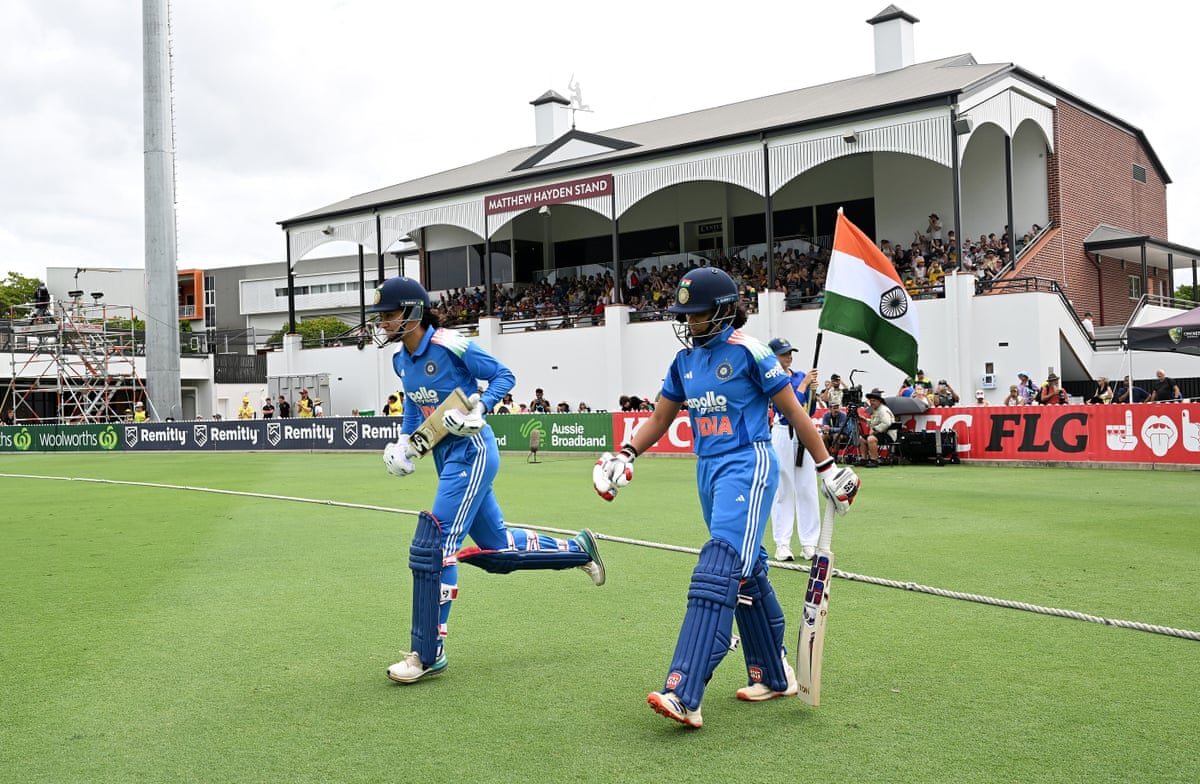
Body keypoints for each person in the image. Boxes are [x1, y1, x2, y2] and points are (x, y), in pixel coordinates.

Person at [590, 266, 860, 729]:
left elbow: (794, 411)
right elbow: (659, 417)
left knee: (718, 565)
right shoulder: (685, 362)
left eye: (695, 315)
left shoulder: (751, 352)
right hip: (708, 470)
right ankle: (775, 676)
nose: (687, 323)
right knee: (748, 571)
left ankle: (684, 690)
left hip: (748, 464)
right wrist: (626, 452)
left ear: (720, 312)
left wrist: (826, 466)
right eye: (684, 315)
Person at [369, 276, 605, 685]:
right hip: (445, 456)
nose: (383, 323)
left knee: (437, 544)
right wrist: (407, 442)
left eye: (388, 315)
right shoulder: (400, 360)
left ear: (413, 313)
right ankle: (579, 551)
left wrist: (482, 407)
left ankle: (428, 652)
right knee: (498, 552)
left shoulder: (450, 344)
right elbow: (415, 400)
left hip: (473, 450)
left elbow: (503, 375)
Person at [765, 337, 820, 563]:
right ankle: (783, 543)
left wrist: (813, 392)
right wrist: (805, 385)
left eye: (790, 352)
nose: (789, 356)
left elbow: (809, 409)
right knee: (783, 487)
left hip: (802, 432)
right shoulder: (772, 378)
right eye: (784, 353)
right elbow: (788, 406)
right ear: (774, 356)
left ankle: (809, 543)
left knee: (807, 487)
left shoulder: (798, 376)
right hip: (782, 432)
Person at [862, 388, 896, 466]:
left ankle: (874, 460)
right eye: (870, 401)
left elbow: (886, 423)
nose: (871, 402)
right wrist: (865, 420)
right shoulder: (875, 410)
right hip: (880, 433)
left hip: (888, 435)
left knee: (871, 439)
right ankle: (864, 459)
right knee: (861, 439)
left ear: (879, 401)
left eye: (873, 401)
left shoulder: (883, 410)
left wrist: (874, 429)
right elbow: (874, 423)